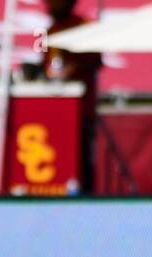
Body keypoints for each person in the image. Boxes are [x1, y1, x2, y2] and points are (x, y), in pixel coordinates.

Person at [41, 0, 102, 193]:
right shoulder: (47, 31)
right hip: (53, 109)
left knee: (81, 161)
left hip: (80, 110)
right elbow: (43, 61)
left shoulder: (84, 26)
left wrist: (74, 67)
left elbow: (96, 60)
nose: (49, 6)